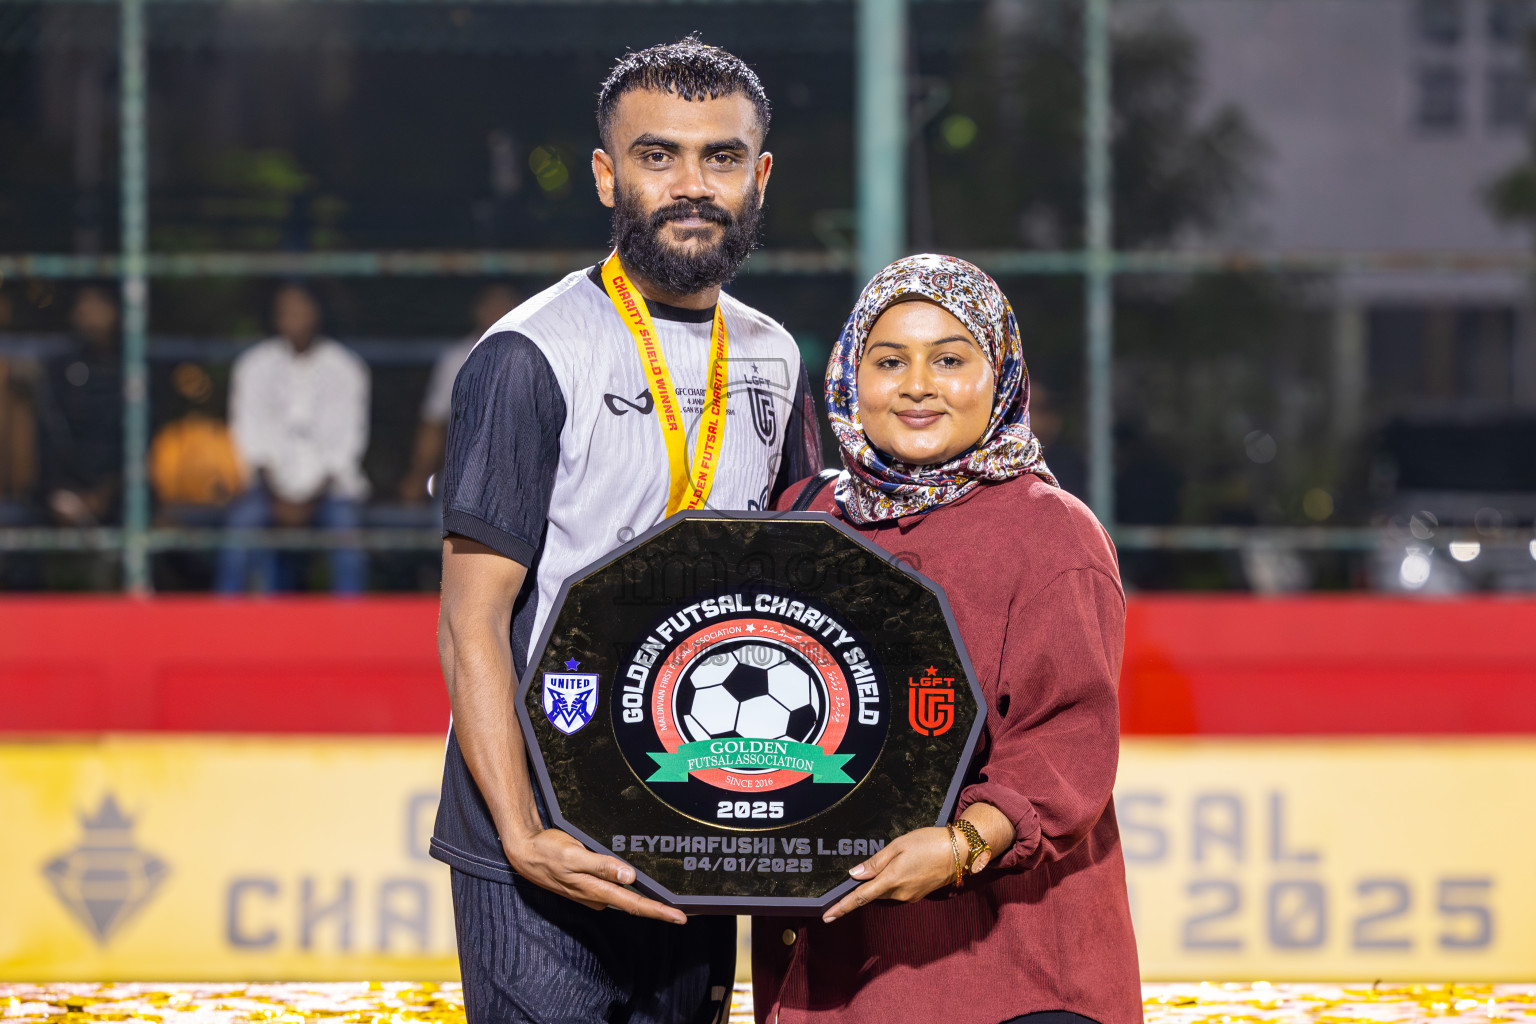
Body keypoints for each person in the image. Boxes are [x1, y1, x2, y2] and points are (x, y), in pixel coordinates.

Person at [432, 38, 823, 1024]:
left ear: (759, 176)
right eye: (660, 156)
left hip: (699, 814)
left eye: (721, 157)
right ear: (609, 175)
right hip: (541, 829)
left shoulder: (775, 355)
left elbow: (797, 588)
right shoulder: (529, 355)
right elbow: (469, 619)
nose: (692, 184)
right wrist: (519, 832)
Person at [756, 255, 1140, 1024]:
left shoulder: (1048, 531)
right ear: (847, 376)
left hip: (1007, 977)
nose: (918, 384)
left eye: (951, 359)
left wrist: (964, 843)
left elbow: (1065, 747)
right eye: (889, 359)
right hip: (831, 976)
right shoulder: (804, 519)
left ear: (998, 377)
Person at [217, 283, 370, 594]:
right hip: (267, 489)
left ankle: (354, 631)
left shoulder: (346, 367)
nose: (294, 317)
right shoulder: (253, 365)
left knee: (348, 540)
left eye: (301, 308)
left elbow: (347, 443)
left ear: (317, 312)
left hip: (330, 490)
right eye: (286, 310)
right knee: (238, 532)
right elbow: (247, 434)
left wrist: (309, 499)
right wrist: (277, 496)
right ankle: (224, 629)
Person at [399, 284, 520, 503]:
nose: (497, 312)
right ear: (477, 310)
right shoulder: (456, 359)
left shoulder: (540, 353)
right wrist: (419, 474)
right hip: (466, 475)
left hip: (526, 474)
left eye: (504, 305)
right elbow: (435, 422)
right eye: (490, 305)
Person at [35, 286, 122, 527]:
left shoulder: (135, 369)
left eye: (97, 305)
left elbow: (143, 443)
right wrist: (62, 491)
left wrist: (107, 491)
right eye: (83, 306)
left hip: (121, 492)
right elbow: (51, 439)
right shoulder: (60, 370)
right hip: (63, 490)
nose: (89, 313)